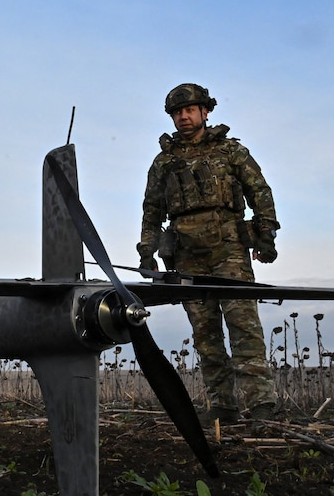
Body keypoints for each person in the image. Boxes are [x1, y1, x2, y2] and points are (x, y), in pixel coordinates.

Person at [137, 83, 280, 424]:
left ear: (205, 111)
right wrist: (147, 251)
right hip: (186, 254)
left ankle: (261, 405)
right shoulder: (164, 162)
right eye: (176, 112)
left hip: (228, 248)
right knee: (205, 335)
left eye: (189, 110)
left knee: (244, 327)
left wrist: (266, 234)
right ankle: (223, 406)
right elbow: (152, 209)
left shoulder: (231, 152)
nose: (182, 117)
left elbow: (259, 191)